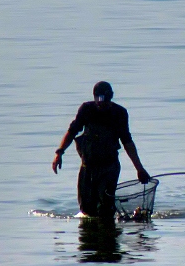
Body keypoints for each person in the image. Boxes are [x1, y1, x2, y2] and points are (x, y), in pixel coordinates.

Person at [52, 81, 150, 219]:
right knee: (86, 210)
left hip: (109, 167)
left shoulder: (119, 113)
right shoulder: (87, 110)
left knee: (105, 209)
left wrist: (139, 169)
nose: (100, 103)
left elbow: (127, 142)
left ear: (110, 97)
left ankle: (108, 235)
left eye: (104, 99)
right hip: (88, 167)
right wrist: (59, 152)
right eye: (97, 99)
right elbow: (72, 132)